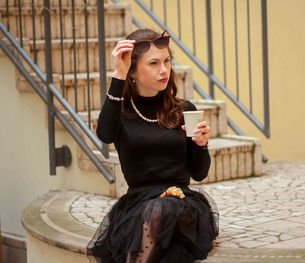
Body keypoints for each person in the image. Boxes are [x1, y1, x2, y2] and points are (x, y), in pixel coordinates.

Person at [86, 28, 219, 263]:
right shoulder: (121, 111)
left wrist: (202, 144)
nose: (164, 70)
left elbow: (199, 173)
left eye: (167, 61)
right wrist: (118, 74)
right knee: (154, 215)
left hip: (182, 203)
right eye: (154, 63)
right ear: (133, 72)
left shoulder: (183, 111)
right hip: (138, 205)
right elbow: (105, 135)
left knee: (161, 211)